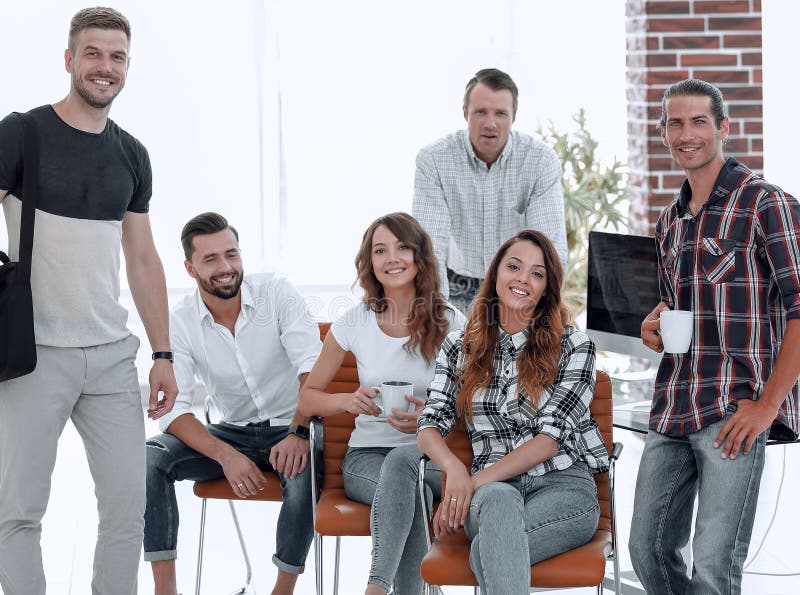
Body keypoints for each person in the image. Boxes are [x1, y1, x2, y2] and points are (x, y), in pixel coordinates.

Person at [0, 8, 178, 595]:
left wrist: (163, 353)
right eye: (94, 53)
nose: (106, 67)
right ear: (70, 59)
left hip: (108, 355)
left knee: (127, 512)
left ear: (128, 66)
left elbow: (144, 259)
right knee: (19, 511)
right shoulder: (21, 132)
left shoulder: (132, 154)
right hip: (34, 353)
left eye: (117, 56)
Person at [630, 79, 800, 594]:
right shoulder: (669, 223)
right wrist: (652, 327)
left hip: (734, 410)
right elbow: (676, 305)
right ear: (663, 134)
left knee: (714, 564)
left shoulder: (766, 204)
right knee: (647, 549)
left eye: (699, 121)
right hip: (673, 406)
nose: (688, 133)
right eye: (675, 123)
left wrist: (769, 406)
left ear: (723, 127)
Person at [417, 229, 609, 595]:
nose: (523, 279)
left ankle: (488, 543)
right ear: (496, 275)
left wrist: (472, 483)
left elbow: (549, 441)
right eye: (514, 267)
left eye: (537, 274)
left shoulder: (575, 345)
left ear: (546, 288)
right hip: (492, 495)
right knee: (497, 519)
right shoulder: (460, 346)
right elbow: (429, 423)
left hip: (564, 487)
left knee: (487, 552)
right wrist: (455, 470)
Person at [144, 212, 321, 595]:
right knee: (151, 457)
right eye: (211, 260)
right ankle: (165, 591)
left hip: (292, 424)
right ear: (190, 269)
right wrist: (225, 455)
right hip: (232, 432)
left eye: (231, 255)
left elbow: (312, 367)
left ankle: (282, 590)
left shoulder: (276, 292)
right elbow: (175, 409)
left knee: (306, 473)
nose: (225, 268)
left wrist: (299, 431)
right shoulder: (181, 322)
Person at [298, 212, 465, 595]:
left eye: (402, 247)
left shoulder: (451, 321)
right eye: (380, 250)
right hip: (367, 458)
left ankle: (378, 589)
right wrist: (347, 399)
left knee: (411, 479)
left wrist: (431, 416)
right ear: (369, 262)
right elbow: (308, 399)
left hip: (434, 457)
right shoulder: (354, 321)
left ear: (419, 255)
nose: (392, 258)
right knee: (406, 484)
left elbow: (478, 400)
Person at [412, 67, 567, 313]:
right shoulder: (434, 160)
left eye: (500, 114)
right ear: (465, 113)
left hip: (517, 287)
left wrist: (539, 309)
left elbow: (550, 247)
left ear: (513, 116)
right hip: (456, 286)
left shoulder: (540, 161)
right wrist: (438, 312)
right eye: (481, 112)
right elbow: (430, 246)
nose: (490, 123)